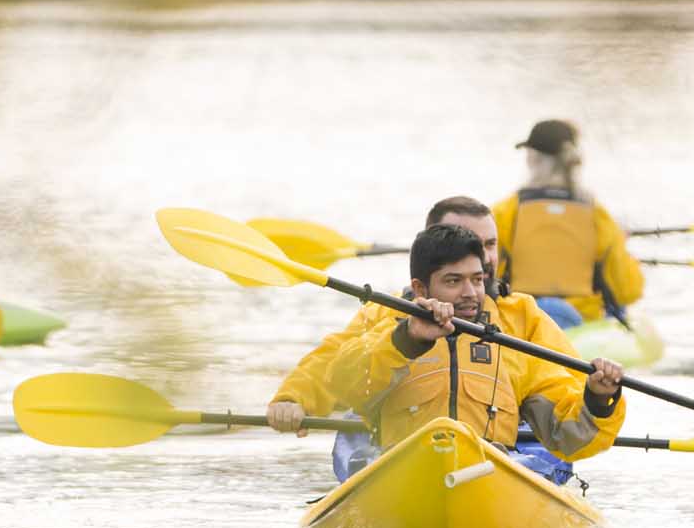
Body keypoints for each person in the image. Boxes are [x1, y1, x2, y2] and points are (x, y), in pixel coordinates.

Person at [267, 195, 590, 435]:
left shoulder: (522, 315)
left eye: (490, 244)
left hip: (497, 448)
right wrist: (295, 399)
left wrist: (600, 399)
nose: (483, 256)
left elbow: (571, 390)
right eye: (471, 243)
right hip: (409, 447)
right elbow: (332, 364)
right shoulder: (386, 310)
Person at [325, 223, 624, 463]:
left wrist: (598, 399)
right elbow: (343, 386)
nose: (470, 292)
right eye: (453, 281)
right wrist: (408, 339)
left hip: (489, 471)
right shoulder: (390, 332)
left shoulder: (511, 347)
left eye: (477, 280)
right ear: (420, 287)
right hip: (404, 467)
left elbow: (566, 437)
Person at [492, 118, 643, 330]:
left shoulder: (506, 212)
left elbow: (487, 275)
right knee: (619, 308)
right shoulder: (598, 216)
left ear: (532, 159)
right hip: (580, 323)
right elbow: (627, 290)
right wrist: (626, 251)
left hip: (523, 317)